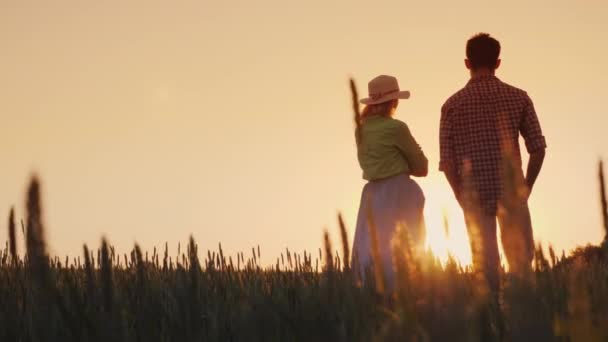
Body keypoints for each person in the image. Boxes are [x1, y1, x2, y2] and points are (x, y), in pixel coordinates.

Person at [439, 33, 547, 293]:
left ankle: (491, 325)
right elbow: (538, 149)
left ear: (467, 63)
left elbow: (448, 162)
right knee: (521, 267)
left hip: (473, 197)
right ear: (498, 62)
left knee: (485, 272)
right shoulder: (519, 97)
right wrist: (525, 188)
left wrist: (461, 196)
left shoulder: (451, 105)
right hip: (512, 195)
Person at [352, 75, 428, 290]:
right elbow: (422, 167)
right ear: (394, 102)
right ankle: (406, 296)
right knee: (405, 248)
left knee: (370, 248)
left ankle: (371, 296)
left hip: (371, 194)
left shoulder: (360, 130)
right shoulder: (396, 128)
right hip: (398, 191)